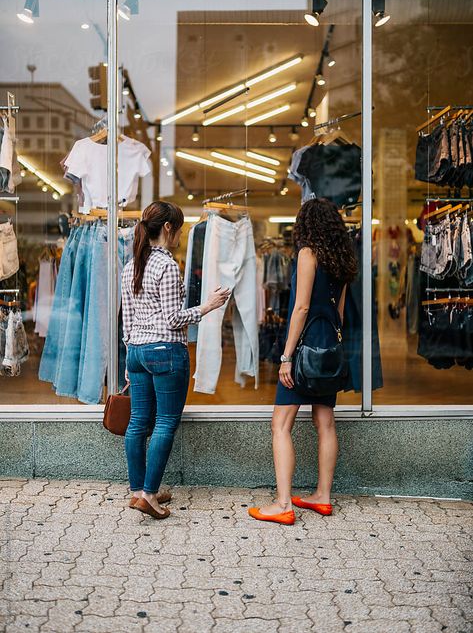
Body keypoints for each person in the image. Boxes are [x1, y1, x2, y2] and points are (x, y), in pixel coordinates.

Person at [249, 198, 358, 525]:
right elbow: (337, 314)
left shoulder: (308, 254)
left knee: (280, 425)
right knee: (325, 423)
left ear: (306, 225)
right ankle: (322, 496)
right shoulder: (342, 260)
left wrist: (286, 356)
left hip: (304, 351)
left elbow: (301, 308)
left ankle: (283, 504)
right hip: (330, 351)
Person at [121, 201, 230, 520]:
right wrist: (208, 306)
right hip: (165, 351)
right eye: (180, 228)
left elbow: (127, 319)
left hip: (138, 351)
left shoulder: (132, 266)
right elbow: (171, 319)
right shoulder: (166, 265)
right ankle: (150, 496)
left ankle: (138, 491)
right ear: (168, 228)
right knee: (166, 422)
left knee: (139, 422)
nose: (181, 235)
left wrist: (130, 356)